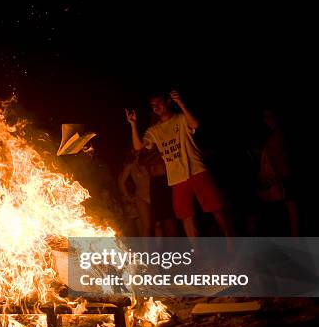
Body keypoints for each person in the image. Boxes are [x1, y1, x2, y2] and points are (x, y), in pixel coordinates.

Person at [126, 91, 233, 250]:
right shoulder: (153, 131)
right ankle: (198, 252)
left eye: (159, 103)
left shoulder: (181, 118)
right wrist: (133, 125)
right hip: (176, 178)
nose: (156, 107)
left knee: (216, 209)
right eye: (153, 106)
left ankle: (230, 242)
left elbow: (196, 125)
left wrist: (181, 104)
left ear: (168, 101)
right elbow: (139, 148)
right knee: (186, 216)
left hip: (197, 170)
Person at [257, 109, 299, 236]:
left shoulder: (279, 135)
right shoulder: (274, 135)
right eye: (264, 117)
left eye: (268, 116)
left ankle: (295, 234)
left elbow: (277, 156)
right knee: (288, 206)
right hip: (279, 177)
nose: (266, 120)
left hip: (284, 175)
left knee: (291, 206)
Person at [118, 149, 152, 237]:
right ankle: (146, 250)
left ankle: (159, 249)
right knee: (147, 226)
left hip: (153, 194)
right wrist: (127, 196)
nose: (137, 153)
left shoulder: (149, 161)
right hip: (141, 197)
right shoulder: (131, 166)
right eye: (135, 151)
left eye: (139, 150)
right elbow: (121, 181)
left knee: (157, 225)